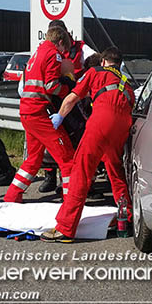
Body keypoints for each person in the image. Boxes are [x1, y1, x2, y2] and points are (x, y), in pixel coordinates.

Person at [42, 47, 135, 243]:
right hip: (121, 128)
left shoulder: (94, 72)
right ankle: (126, 215)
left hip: (101, 123)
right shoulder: (126, 84)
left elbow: (72, 98)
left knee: (81, 170)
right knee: (115, 170)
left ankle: (66, 228)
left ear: (103, 62)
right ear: (120, 64)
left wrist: (60, 115)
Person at [3, 26, 75, 203]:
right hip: (40, 112)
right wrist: (68, 89)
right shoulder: (53, 54)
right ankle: (71, 200)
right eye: (64, 49)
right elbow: (51, 86)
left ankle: (12, 196)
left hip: (27, 111)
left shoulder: (36, 53)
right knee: (66, 157)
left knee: (33, 160)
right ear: (60, 43)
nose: (64, 53)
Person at [38, 20, 96, 193]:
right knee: (53, 143)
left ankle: (77, 182)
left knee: (75, 139)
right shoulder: (46, 50)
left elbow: (96, 62)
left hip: (75, 99)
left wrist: (80, 85)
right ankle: (51, 176)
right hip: (54, 100)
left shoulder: (80, 48)